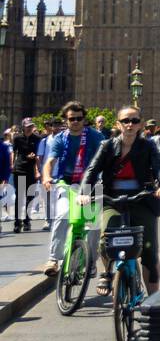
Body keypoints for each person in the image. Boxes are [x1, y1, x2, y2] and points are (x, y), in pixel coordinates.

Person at [77, 106, 160, 296]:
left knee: (149, 250)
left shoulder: (148, 146)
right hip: (112, 199)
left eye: (134, 121)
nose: (130, 125)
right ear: (118, 124)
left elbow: (159, 167)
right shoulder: (107, 146)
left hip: (142, 199)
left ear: (141, 125)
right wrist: (84, 192)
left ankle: (153, 298)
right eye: (126, 121)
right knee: (106, 240)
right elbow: (92, 170)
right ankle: (107, 272)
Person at [41, 101, 104, 276]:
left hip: (91, 185)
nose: (75, 121)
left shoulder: (95, 137)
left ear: (84, 119)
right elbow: (50, 162)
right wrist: (46, 176)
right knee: (62, 215)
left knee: (93, 225)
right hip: (66, 183)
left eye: (79, 118)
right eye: (71, 119)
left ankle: (90, 262)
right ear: (66, 120)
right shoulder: (60, 139)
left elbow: (106, 157)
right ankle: (54, 259)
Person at [10, 118, 40, 232]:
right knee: (20, 197)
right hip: (20, 169)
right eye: (27, 126)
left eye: (31, 126)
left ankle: (27, 221)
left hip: (30, 170)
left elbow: (39, 153)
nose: (29, 128)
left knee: (30, 197)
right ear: (23, 127)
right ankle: (17, 222)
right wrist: (12, 164)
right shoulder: (17, 138)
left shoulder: (37, 138)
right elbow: (14, 151)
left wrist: (35, 158)